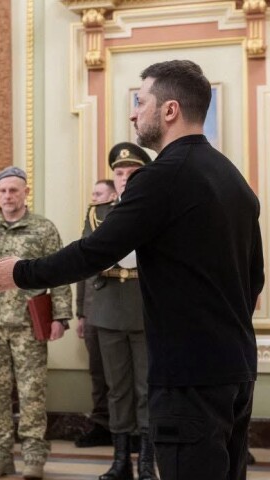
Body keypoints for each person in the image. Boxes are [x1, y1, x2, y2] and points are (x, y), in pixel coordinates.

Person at [0, 59, 265, 480]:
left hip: (189, 375)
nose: (134, 112)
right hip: (236, 367)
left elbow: (94, 251)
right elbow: (255, 277)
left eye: (140, 100)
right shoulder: (232, 178)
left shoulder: (162, 177)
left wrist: (20, 272)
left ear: (169, 110)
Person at [0, 166, 73, 480]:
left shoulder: (43, 228)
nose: (8, 196)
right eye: (3, 191)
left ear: (25, 192)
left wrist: (60, 317)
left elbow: (60, 274)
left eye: (14, 190)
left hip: (29, 324)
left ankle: (34, 456)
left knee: (32, 392)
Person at [87, 145, 157, 480]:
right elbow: (87, 260)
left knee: (147, 387)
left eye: (132, 173)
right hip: (109, 310)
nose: (125, 179)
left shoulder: (159, 208)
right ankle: (120, 462)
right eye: (119, 173)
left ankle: (146, 462)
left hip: (147, 310)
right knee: (117, 389)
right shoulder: (97, 215)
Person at [74, 180, 116, 449]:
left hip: (117, 310)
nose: (94, 199)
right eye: (92, 194)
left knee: (124, 376)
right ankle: (102, 425)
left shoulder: (121, 218)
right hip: (91, 312)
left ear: (113, 196)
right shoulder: (91, 221)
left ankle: (131, 430)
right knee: (98, 373)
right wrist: (80, 312)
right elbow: (82, 271)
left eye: (99, 194)